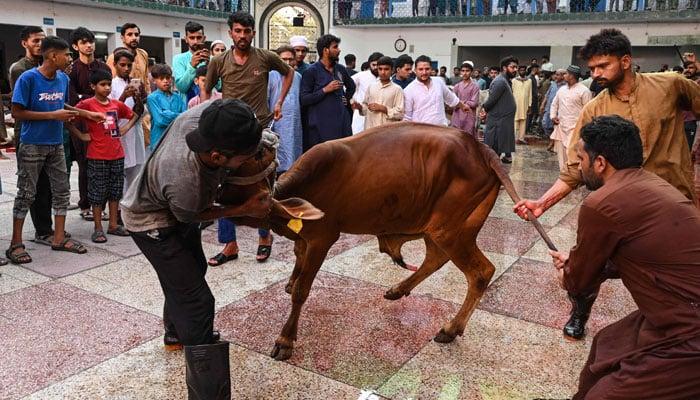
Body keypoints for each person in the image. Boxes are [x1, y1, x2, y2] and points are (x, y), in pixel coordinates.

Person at [514, 28, 700, 341]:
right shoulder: (594, 109)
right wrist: (541, 204)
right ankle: (580, 311)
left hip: (669, 202)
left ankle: (677, 327)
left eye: (604, 66)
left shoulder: (670, 85)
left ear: (626, 61)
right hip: (617, 207)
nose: (596, 74)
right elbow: (575, 169)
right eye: (593, 69)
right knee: (590, 263)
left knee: (674, 270)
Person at [121, 99, 269, 398]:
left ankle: (176, 333)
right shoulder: (184, 176)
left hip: (170, 207)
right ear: (217, 155)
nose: (248, 159)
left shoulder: (205, 116)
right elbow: (188, 215)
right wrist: (243, 207)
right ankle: (207, 393)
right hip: (152, 223)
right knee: (198, 300)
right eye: (244, 157)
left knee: (189, 273)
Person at [548, 115, 700, 400]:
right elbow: (638, 253)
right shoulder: (652, 183)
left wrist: (567, 272)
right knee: (608, 345)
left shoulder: (601, 203)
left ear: (600, 163)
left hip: (688, 329)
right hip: (671, 311)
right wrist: (580, 261)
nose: (578, 167)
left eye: (581, 159)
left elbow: (578, 282)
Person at [202, 11, 294, 262]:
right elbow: (206, 88)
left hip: (259, 130)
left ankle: (265, 236)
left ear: (253, 33)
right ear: (231, 32)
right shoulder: (219, 61)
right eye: (238, 31)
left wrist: (279, 102)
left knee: (262, 185)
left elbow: (289, 73)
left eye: (247, 31)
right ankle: (229, 245)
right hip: (228, 133)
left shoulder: (265, 57)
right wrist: (206, 111)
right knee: (222, 188)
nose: (243, 36)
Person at [7, 36, 104, 264]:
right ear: (52, 56)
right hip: (32, 144)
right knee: (26, 194)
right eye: (66, 55)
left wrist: (87, 114)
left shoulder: (62, 79)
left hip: (56, 144)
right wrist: (53, 115)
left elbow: (61, 104)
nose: (69, 59)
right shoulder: (27, 78)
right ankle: (15, 243)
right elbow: (18, 112)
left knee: (61, 192)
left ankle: (58, 238)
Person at [73, 69, 141, 243]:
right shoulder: (87, 104)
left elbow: (133, 114)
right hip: (97, 155)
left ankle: (112, 224)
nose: (107, 88)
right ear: (93, 86)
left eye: (109, 84)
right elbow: (70, 115)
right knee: (97, 192)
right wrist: (80, 135)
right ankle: (97, 228)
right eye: (102, 85)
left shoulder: (116, 105)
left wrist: (125, 128)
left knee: (115, 191)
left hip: (117, 154)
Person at [8, 26, 58, 246]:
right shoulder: (21, 70)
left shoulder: (49, 67)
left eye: (42, 40)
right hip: (28, 133)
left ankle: (44, 229)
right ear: (24, 43)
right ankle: (33, 233)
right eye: (35, 41)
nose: (40, 44)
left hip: (49, 132)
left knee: (48, 184)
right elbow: (23, 105)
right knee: (30, 186)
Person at [68, 27, 112, 222]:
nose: (88, 45)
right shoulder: (72, 69)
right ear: (75, 46)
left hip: (103, 121)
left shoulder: (104, 68)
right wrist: (91, 100)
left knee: (104, 164)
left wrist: (85, 97)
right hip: (82, 123)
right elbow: (72, 99)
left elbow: (108, 96)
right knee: (85, 165)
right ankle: (85, 204)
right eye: (84, 42)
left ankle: (101, 206)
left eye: (91, 41)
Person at [300, 34, 355, 151]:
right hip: (320, 126)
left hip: (341, 123)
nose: (339, 50)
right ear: (325, 50)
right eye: (335, 47)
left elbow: (351, 86)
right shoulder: (311, 71)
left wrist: (346, 97)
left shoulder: (340, 69)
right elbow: (304, 99)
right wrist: (325, 90)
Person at [109, 50, 148, 194]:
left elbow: (142, 111)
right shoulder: (111, 85)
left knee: (137, 170)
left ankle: (133, 205)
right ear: (115, 65)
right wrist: (124, 96)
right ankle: (119, 208)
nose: (126, 68)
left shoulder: (136, 83)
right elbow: (110, 112)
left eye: (129, 65)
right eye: (122, 65)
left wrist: (139, 97)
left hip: (135, 131)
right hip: (121, 131)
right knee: (121, 172)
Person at [549, 65, 592, 173]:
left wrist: (585, 128)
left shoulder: (584, 91)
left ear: (572, 76)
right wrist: (553, 116)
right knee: (561, 153)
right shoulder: (562, 89)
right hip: (561, 126)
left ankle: (574, 174)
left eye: (566, 74)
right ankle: (563, 172)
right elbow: (554, 104)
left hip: (576, 128)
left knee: (572, 152)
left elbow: (588, 111)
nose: (564, 76)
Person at [403, 55, 463, 126]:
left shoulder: (439, 81)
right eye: (421, 69)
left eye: (427, 69)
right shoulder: (409, 90)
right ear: (415, 70)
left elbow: (450, 98)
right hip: (420, 132)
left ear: (431, 69)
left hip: (441, 129)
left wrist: (463, 106)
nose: (424, 72)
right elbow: (407, 117)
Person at [480, 55, 517, 163]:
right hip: (498, 122)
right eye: (512, 67)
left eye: (516, 67)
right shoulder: (500, 81)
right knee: (494, 151)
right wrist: (484, 111)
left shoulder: (506, 80)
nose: (515, 69)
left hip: (503, 121)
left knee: (499, 148)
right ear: (505, 68)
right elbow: (491, 101)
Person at [355, 56, 404, 130]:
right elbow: (365, 109)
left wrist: (384, 109)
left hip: (388, 131)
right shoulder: (371, 87)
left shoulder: (397, 89)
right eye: (380, 69)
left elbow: (400, 113)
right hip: (370, 129)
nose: (383, 72)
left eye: (386, 69)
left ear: (392, 70)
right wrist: (359, 107)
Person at [147, 64, 186, 151]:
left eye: (168, 78)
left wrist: (166, 114)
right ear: (154, 80)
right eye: (161, 78)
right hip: (159, 140)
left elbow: (184, 117)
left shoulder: (177, 97)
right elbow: (160, 121)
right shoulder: (152, 98)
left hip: (176, 140)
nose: (165, 81)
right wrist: (178, 116)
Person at [172, 21, 209, 104]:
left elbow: (219, 86)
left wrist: (210, 65)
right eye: (192, 38)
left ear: (204, 38)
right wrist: (192, 66)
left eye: (199, 37)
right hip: (187, 108)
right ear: (186, 39)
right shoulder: (178, 59)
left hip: (210, 107)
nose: (195, 41)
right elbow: (182, 88)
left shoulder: (212, 59)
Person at [351, 52, 383, 133]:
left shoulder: (386, 78)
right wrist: (351, 100)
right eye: (373, 65)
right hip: (361, 115)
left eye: (378, 65)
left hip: (378, 115)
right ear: (369, 64)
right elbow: (346, 86)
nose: (376, 67)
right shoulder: (361, 75)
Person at [450, 61, 480, 136]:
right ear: (460, 72)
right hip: (457, 115)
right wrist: (458, 103)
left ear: (471, 72)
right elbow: (452, 101)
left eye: (467, 71)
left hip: (469, 116)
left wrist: (460, 102)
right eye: (463, 71)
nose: (465, 73)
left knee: (468, 139)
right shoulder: (457, 86)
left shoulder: (475, 86)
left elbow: (474, 103)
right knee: (456, 138)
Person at [541, 68, 565, 153]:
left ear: (563, 76)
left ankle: (552, 142)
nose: (555, 76)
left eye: (558, 75)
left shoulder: (565, 86)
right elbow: (547, 95)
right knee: (545, 124)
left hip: (558, 110)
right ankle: (551, 138)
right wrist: (543, 104)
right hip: (548, 108)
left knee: (555, 127)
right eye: (556, 74)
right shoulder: (553, 84)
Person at [512, 65, 532, 145]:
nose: (522, 72)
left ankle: (521, 138)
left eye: (524, 70)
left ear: (526, 71)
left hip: (525, 105)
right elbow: (512, 92)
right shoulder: (514, 80)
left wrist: (530, 105)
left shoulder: (529, 81)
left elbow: (530, 93)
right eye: (521, 70)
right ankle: (513, 138)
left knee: (523, 121)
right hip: (516, 104)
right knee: (515, 121)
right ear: (518, 71)